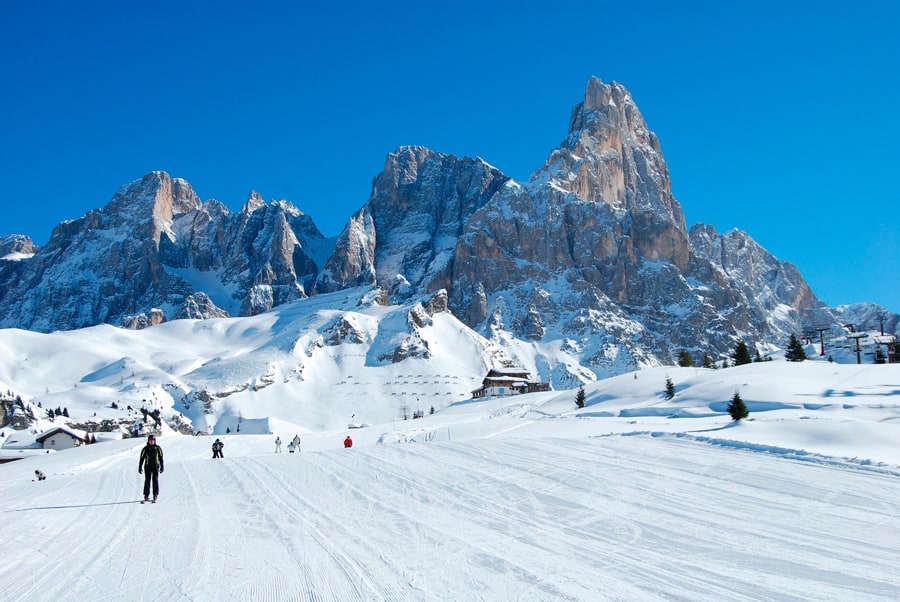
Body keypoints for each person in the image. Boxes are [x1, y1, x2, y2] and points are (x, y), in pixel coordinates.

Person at [138, 434, 164, 503]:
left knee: (155, 480)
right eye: (150, 440)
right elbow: (142, 458)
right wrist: (140, 467)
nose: (151, 441)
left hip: (155, 467)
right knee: (147, 481)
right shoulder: (145, 449)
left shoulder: (158, 448)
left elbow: (161, 458)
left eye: (152, 440)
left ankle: (155, 495)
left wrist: (162, 466)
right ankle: (146, 496)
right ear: (148, 441)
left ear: (154, 441)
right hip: (147, 467)